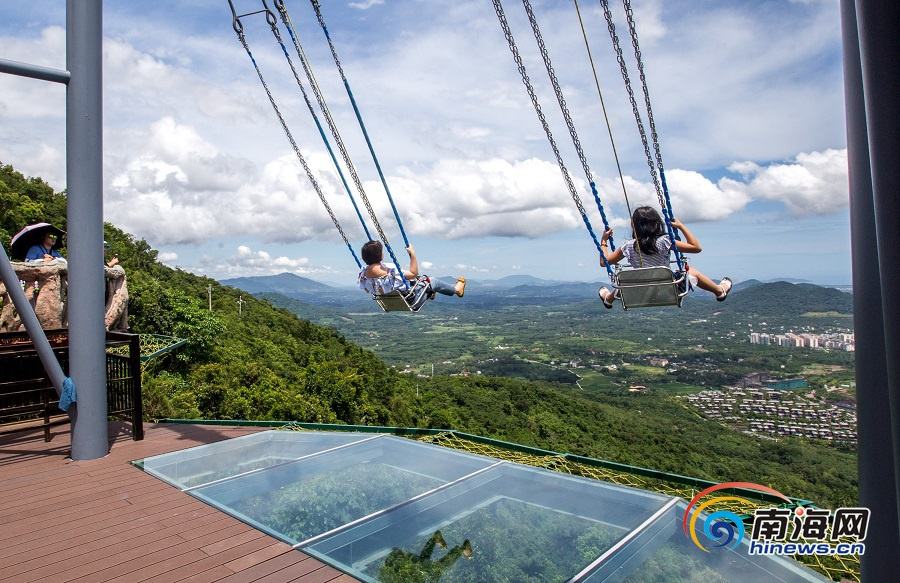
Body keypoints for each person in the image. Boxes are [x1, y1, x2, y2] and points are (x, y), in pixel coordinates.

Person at [598, 206, 732, 308]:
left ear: (634, 226)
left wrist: (604, 241)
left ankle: (608, 299)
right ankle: (719, 291)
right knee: (691, 271)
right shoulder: (665, 241)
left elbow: (604, 263)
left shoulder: (627, 246)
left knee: (626, 282)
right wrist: (681, 226)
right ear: (657, 224)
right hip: (668, 291)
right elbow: (696, 248)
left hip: (638, 293)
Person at [358, 240, 466, 300]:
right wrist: (412, 254)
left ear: (364, 258)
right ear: (380, 255)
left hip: (390, 300)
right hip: (411, 299)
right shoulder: (388, 271)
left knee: (420, 279)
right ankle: (456, 289)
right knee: (432, 280)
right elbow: (413, 273)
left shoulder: (363, 274)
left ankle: (430, 292)